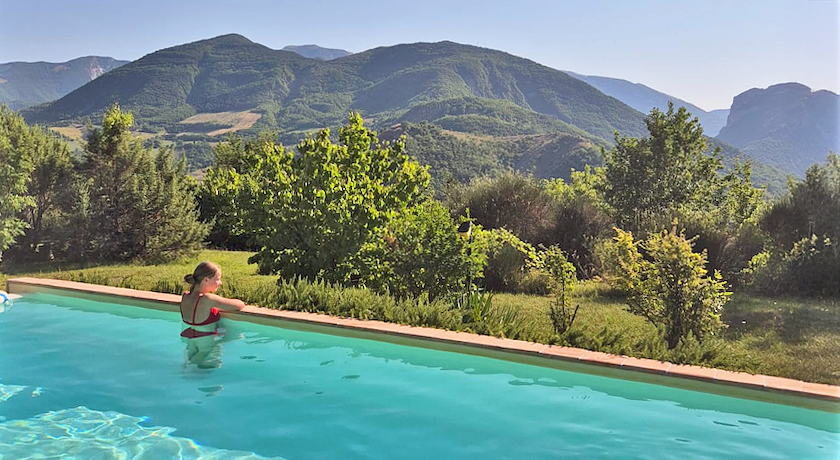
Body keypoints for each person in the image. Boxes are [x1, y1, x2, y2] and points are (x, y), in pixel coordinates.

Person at [180, 261, 245, 339]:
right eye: (217, 279)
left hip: (188, 336)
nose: (220, 283)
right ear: (206, 280)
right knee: (239, 336)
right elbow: (239, 305)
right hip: (206, 339)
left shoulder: (185, 296)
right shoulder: (208, 299)